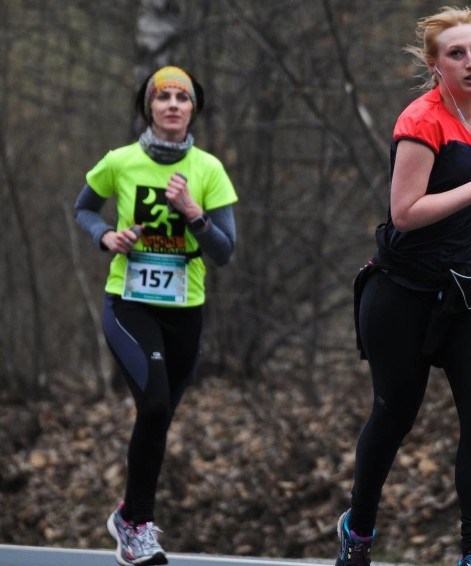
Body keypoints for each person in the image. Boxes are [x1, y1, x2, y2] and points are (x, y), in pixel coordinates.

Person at [335, 6, 471, 566]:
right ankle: (359, 531)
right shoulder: (420, 122)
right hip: (403, 292)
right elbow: (405, 212)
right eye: (456, 54)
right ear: (435, 64)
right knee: (394, 415)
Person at [74, 65, 238, 566]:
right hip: (130, 302)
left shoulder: (209, 170)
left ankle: (129, 512)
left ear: (193, 108)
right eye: (161, 96)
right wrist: (105, 236)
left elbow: (225, 251)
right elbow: (83, 208)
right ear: (149, 107)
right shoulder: (120, 162)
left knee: (159, 413)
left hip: (187, 309)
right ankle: (137, 524)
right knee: (154, 405)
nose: (171, 104)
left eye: (181, 97)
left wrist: (194, 213)